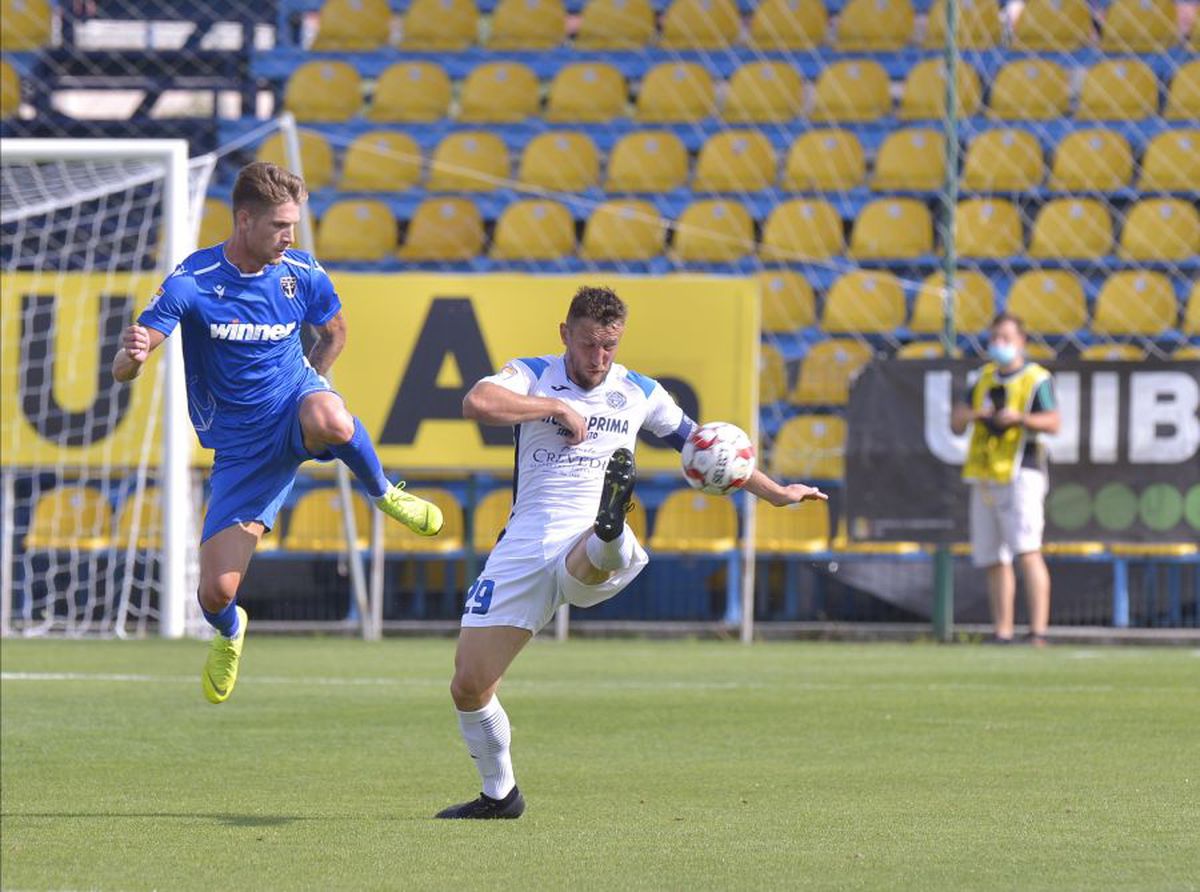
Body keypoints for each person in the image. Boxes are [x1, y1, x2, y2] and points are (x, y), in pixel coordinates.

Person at [437, 286, 828, 819]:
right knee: (469, 684)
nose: (600, 359)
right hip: (525, 542)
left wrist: (776, 491)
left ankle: (610, 525)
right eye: (590, 344)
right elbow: (474, 403)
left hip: (585, 540)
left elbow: (703, 445)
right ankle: (500, 796)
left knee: (592, 555)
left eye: (611, 346)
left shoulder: (640, 391)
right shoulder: (530, 374)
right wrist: (555, 406)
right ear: (565, 335)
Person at [111, 161, 443, 703]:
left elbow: (334, 329)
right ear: (244, 220)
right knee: (216, 594)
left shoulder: (302, 272)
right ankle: (230, 632)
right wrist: (134, 357)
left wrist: (315, 381)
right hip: (243, 450)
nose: (289, 237)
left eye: (293, 225)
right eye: (279, 226)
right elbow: (128, 362)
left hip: (295, 405)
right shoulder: (192, 281)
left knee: (331, 418)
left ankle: (385, 492)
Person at [951, 312, 1061, 646]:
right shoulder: (982, 377)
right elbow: (957, 421)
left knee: (1027, 549)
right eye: (994, 338)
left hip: (1021, 471)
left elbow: (1054, 422)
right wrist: (977, 414)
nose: (999, 345)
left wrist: (1020, 418)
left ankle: (1038, 631)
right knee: (992, 557)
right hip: (985, 473)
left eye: (1006, 338)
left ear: (1022, 341)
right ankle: (1003, 631)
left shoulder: (1035, 378)